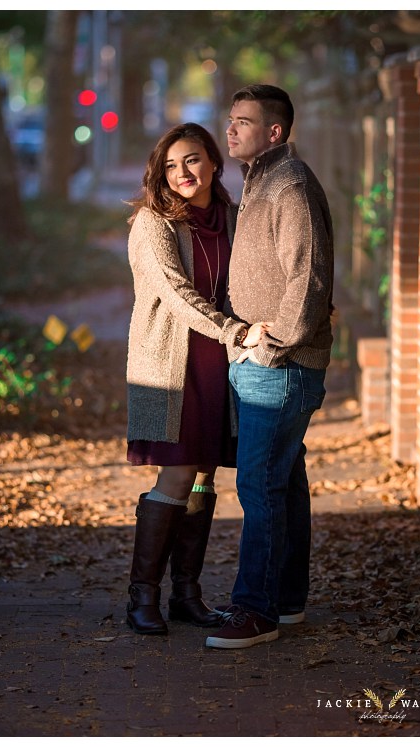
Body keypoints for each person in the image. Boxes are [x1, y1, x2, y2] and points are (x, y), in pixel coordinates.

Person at [124, 122, 267, 635]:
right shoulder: (153, 223)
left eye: (192, 160)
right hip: (170, 361)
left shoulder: (231, 216)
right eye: (170, 164)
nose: (182, 172)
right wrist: (236, 331)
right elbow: (175, 292)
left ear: (212, 162)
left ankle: (187, 593)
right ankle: (143, 596)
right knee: (178, 473)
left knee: (205, 474)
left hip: (224, 361)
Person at [205, 84, 334, 649]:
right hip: (264, 362)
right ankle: (286, 602)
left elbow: (308, 278)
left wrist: (271, 346)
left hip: (279, 366)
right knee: (283, 483)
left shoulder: (291, 184)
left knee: (259, 486)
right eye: (230, 120)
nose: (230, 129)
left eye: (244, 122)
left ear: (275, 132)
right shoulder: (258, 182)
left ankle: (254, 611)